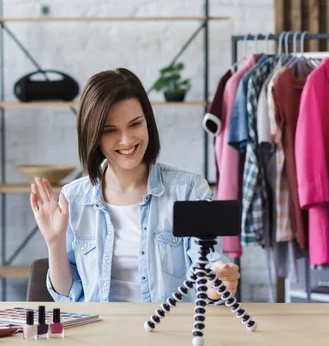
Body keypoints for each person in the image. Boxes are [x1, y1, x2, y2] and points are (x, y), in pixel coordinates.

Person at [30, 68, 240, 303]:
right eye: (110, 131)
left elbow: (207, 274)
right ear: (93, 135)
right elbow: (67, 296)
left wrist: (219, 282)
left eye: (135, 124)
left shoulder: (189, 190)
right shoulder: (74, 198)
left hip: (168, 333)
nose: (127, 140)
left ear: (147, 122)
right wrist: (54, 241)